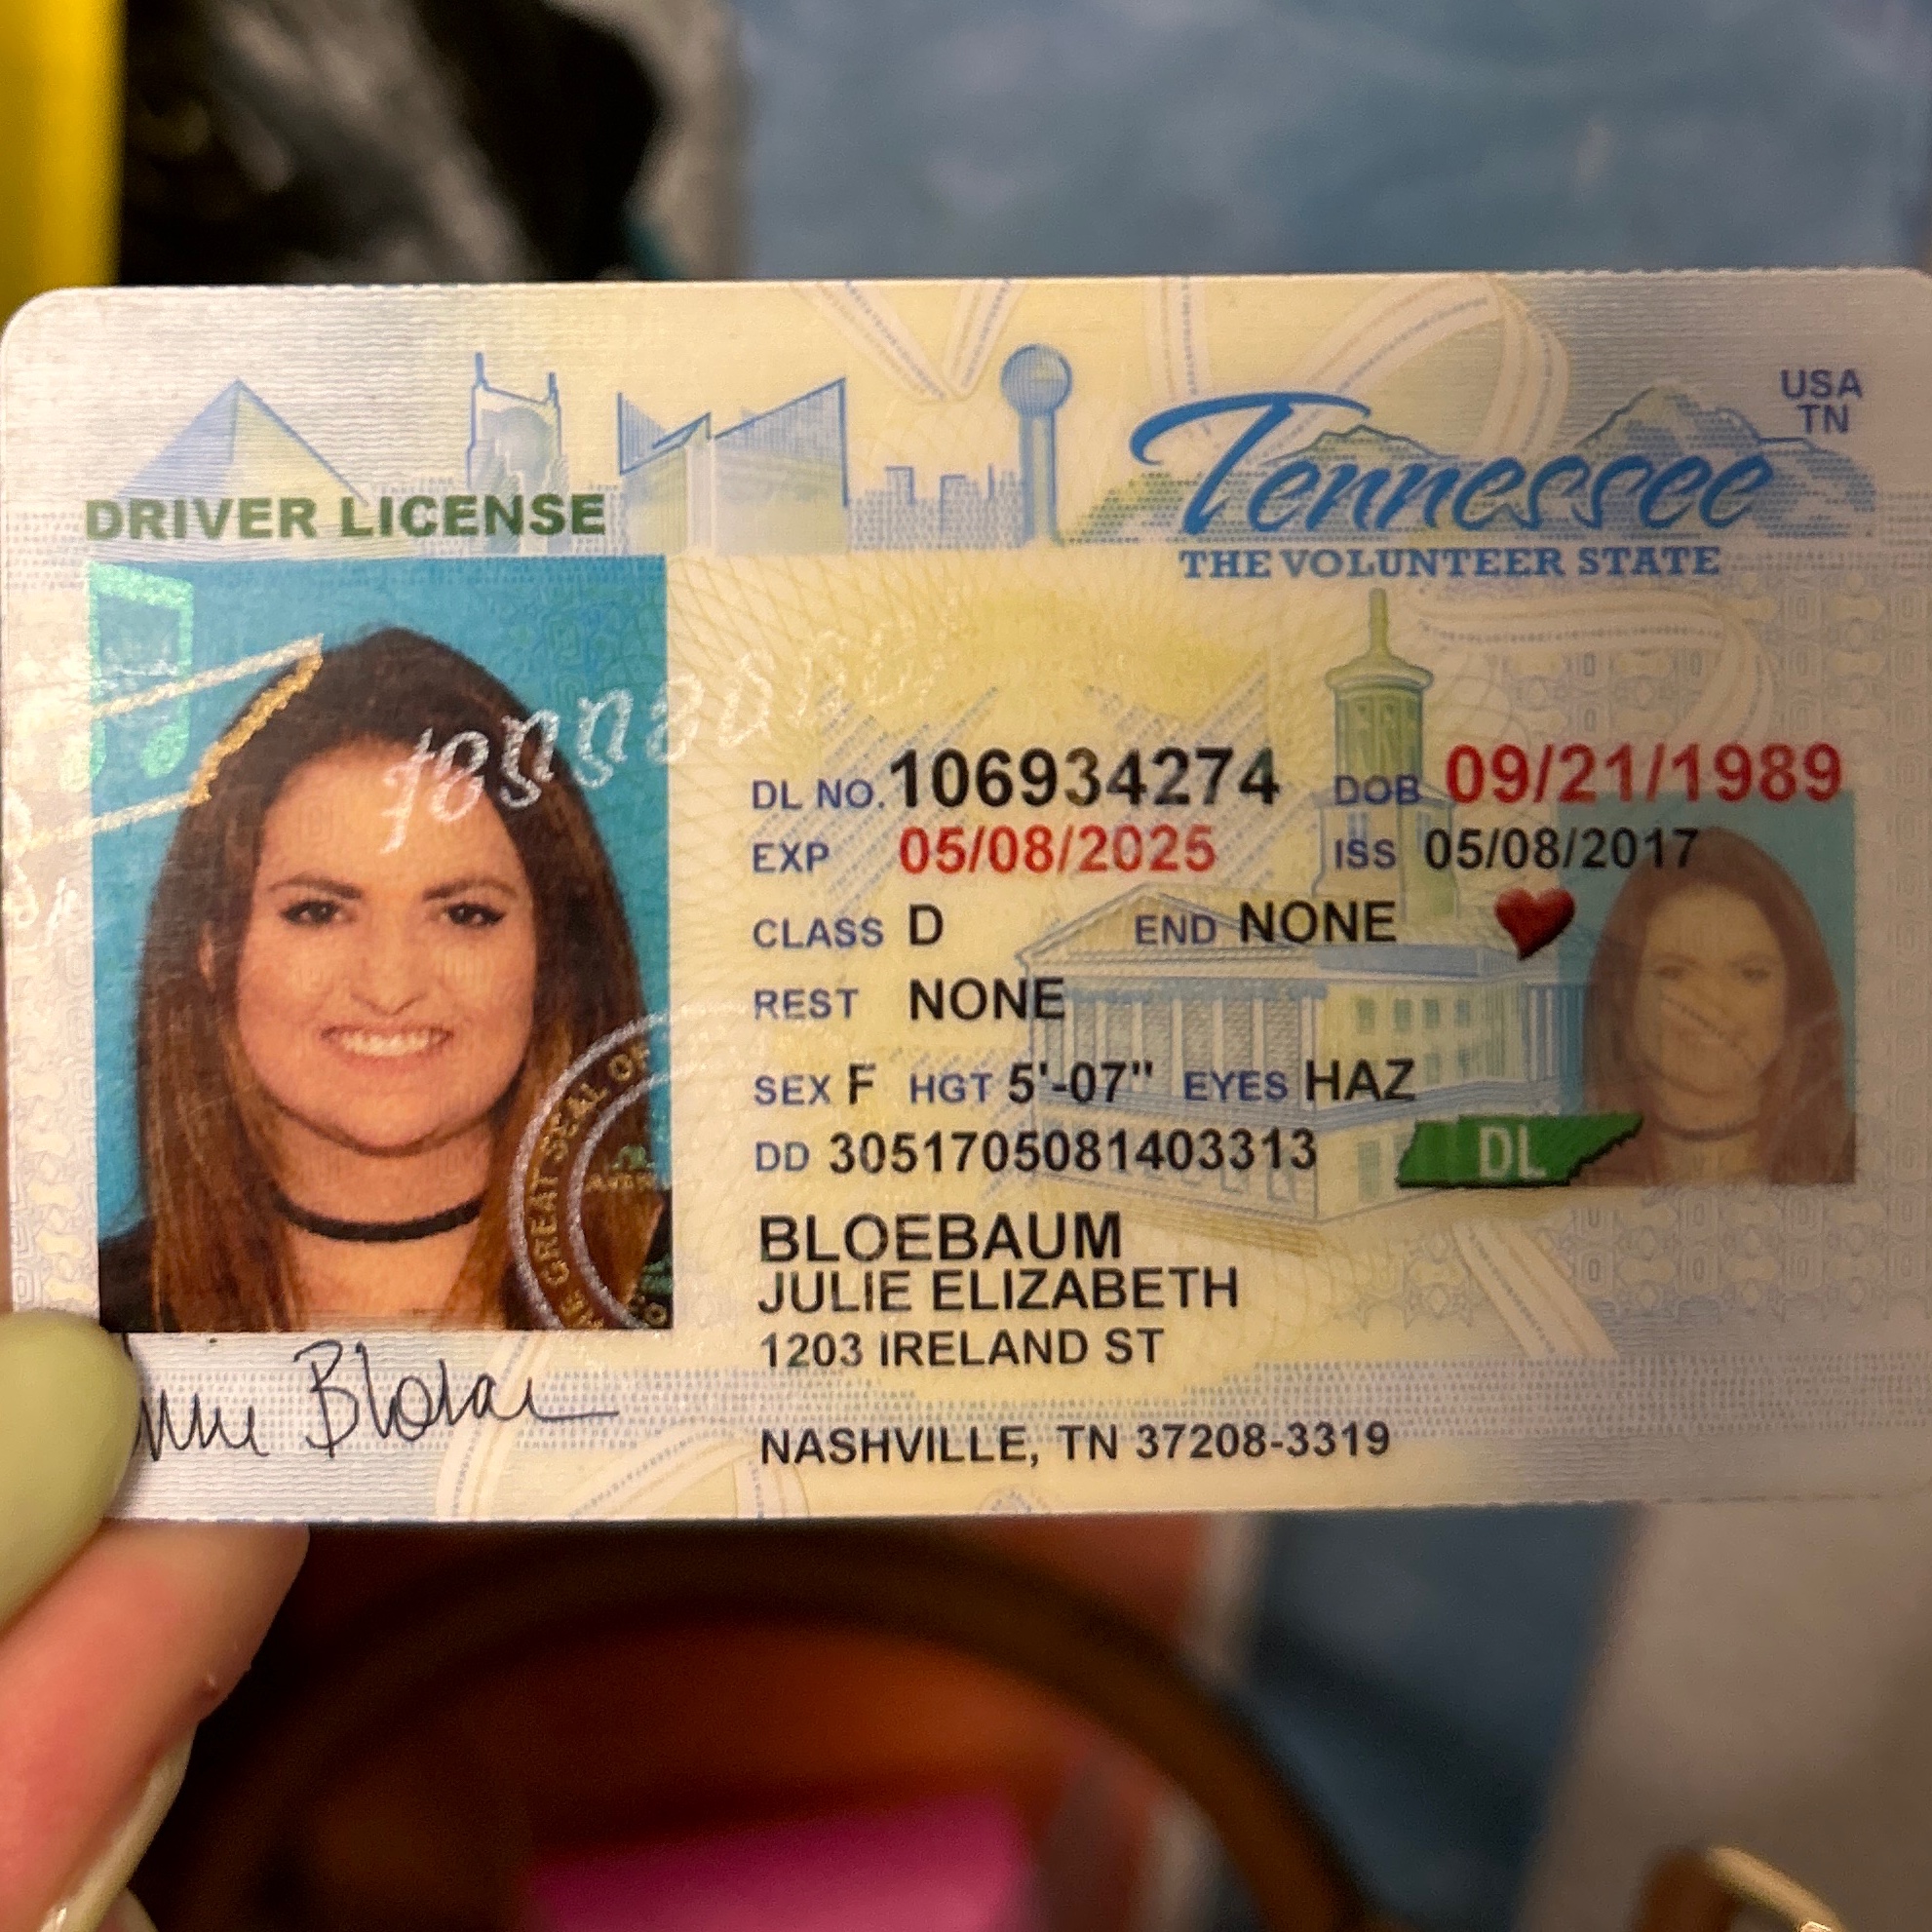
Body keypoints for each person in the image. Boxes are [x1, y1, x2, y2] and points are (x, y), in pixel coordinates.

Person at [98, 628, 669, 1332]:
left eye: (464, 914)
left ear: (553, 956)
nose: (390, 986)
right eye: (318, 912)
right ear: (212, 951)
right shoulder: (88, 1319)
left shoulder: (714, 1283)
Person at [1581, 825, 1853, 1183]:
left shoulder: (1861, 1159)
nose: (1712, 1002)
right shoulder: (1566, 1168)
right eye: (1674, 973)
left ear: (1796, 996)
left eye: (1750, 974)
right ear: (1623, 992)